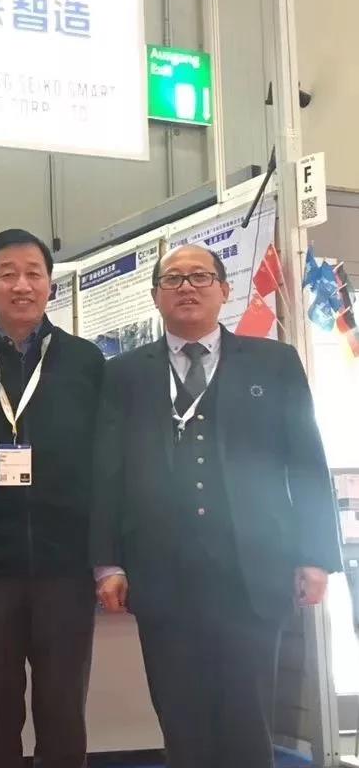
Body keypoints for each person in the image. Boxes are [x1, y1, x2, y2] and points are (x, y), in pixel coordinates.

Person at [91, 244, 342, 768]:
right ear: (155, 296)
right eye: (173, 279)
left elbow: (306, 461)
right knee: (180, 718)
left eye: (200, 277)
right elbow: (105, 472)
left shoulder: (274, 363)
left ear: (225, 290)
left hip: (253, 572)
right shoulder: (124, 374)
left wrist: (316, 556)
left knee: (248, 717)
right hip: (162, 574)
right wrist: (107, 563)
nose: (187, 287)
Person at [0, 228, 105, 768]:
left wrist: (107, 557)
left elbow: (107, 466)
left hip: (66, 569)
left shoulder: (85, 361)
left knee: (64, 712)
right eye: (7, 274)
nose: (22, 285)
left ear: (51, 284)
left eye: (34, 273)